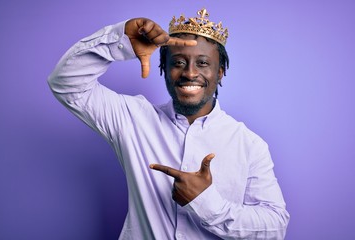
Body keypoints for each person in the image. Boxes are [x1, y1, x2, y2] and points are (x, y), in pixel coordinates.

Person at [48, 8, 289, 240]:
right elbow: (66, 83)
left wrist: (206, 203)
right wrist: (120, 40)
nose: (190, 73)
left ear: (221, 72)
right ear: (163, 68)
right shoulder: (131, 119)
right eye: (179, 63)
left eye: (203, 63)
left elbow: (275, 227)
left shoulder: (249, 144)